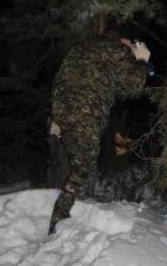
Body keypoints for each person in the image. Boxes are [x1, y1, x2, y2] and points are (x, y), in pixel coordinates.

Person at [48, 23, 151, 234]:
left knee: (81, 165)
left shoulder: (86, 45)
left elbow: (62, 76)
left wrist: (57, 118)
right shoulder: (118, 49)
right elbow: (133, 83)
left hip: (62, 112)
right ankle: (59, 223)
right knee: (84, 169)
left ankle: (75, 213)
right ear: (127, 41)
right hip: (84, 115)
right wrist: (141, 59)